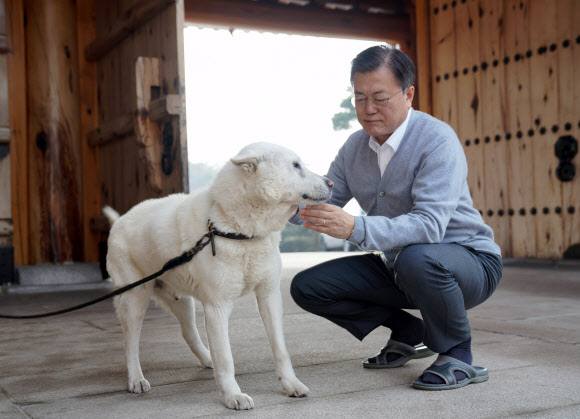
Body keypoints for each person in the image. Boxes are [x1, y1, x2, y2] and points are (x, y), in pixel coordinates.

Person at [289, 44, 503, 390]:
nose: (368, 109)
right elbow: (321, 201)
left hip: (468, 263)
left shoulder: (437, 140)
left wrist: (356, 227)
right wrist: (277, 198)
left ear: (408, 94)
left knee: (418, 257)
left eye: (380, 97)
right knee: (309, 287)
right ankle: (408, 331)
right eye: (359, 98)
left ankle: (458, 355)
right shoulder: (353, 148)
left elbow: (430, 226)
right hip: (401, 267)